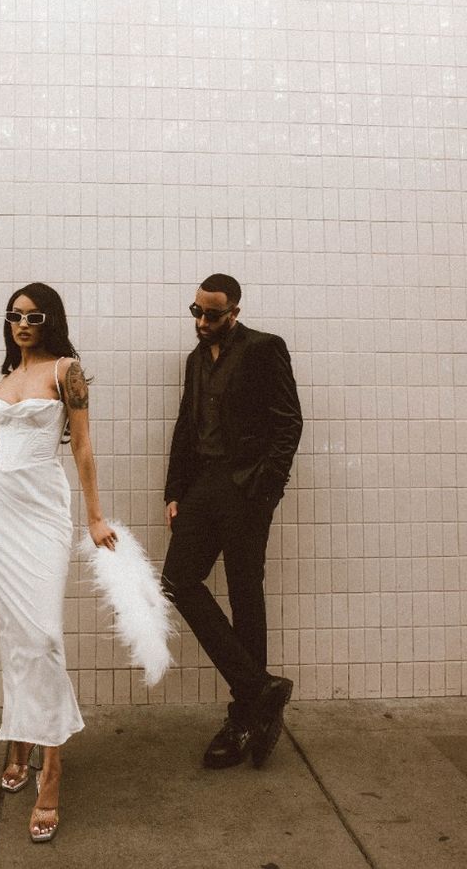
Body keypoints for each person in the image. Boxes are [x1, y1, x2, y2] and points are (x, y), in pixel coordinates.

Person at [0, 282, 116, 843]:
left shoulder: (67, 371)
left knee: (44, 635)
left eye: (34, 316)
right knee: (14, 631)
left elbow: (81, 446)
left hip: (42, 511)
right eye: (15, 316)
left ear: (51, 320)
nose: (23, 323)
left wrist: (95, 517)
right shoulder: (4, 378)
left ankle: (51, 768)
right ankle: (21, 736)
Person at [162, 274, 302, 769]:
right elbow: (186, 424)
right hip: (202, 487)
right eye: (196, 312)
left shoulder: (265, 349)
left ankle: (244, 717)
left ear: (234, 313)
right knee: (177, 581)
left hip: (246, 490)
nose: (202, 322)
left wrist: (266, 491)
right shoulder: (196, 359)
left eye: (212, 315)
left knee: (245, 591)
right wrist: (175, 490)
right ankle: (260, 689)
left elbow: (289, 423)